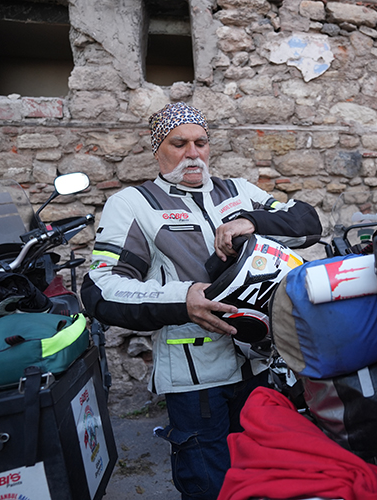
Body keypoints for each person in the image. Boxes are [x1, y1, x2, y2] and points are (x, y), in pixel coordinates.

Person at [81, 102, 322, 499]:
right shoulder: (134, 204)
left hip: (262, 365)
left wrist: (254, 221)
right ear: (157, 149)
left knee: (267, 477)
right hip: (197, 379)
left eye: (201, 142)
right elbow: (101, 289)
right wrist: (183, 298)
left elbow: (306, 222)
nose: (193, 153)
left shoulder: (238, 191)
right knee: (209, 484)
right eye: (179, 143)